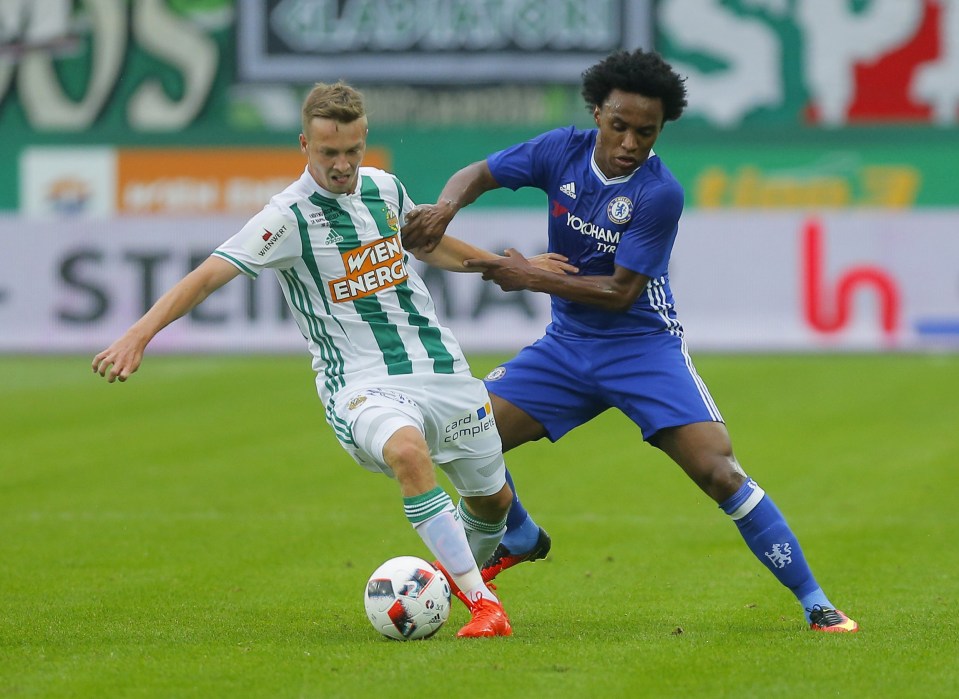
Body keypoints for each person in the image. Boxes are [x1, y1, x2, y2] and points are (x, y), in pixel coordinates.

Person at [401, 49, 859, 633]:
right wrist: (443, 209)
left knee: (720, 472)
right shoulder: (558, 151)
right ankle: (518, 532)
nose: (630, 143)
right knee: (459, 433)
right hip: (567, 349)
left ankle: (816, 602)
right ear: (597, 113)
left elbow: (621, 292)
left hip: (643, 348)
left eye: (646, 132)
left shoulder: (658, 193)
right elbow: (478, 174)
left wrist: (529, 275)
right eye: (619, 126)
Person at [92, 81, 526, 638]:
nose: (342, 165)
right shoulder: (287, 217)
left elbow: (429, 245)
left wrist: (509, 268)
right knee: (407, 451)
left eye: (351, 151)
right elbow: (207, 277)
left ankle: (453, 582)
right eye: (328, 153)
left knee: (493, 502)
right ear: (304, 145)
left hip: (440, 368)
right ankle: (483, 605)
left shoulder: (384, 188)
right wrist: (139, 334)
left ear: (363, 141)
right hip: (362, 384)